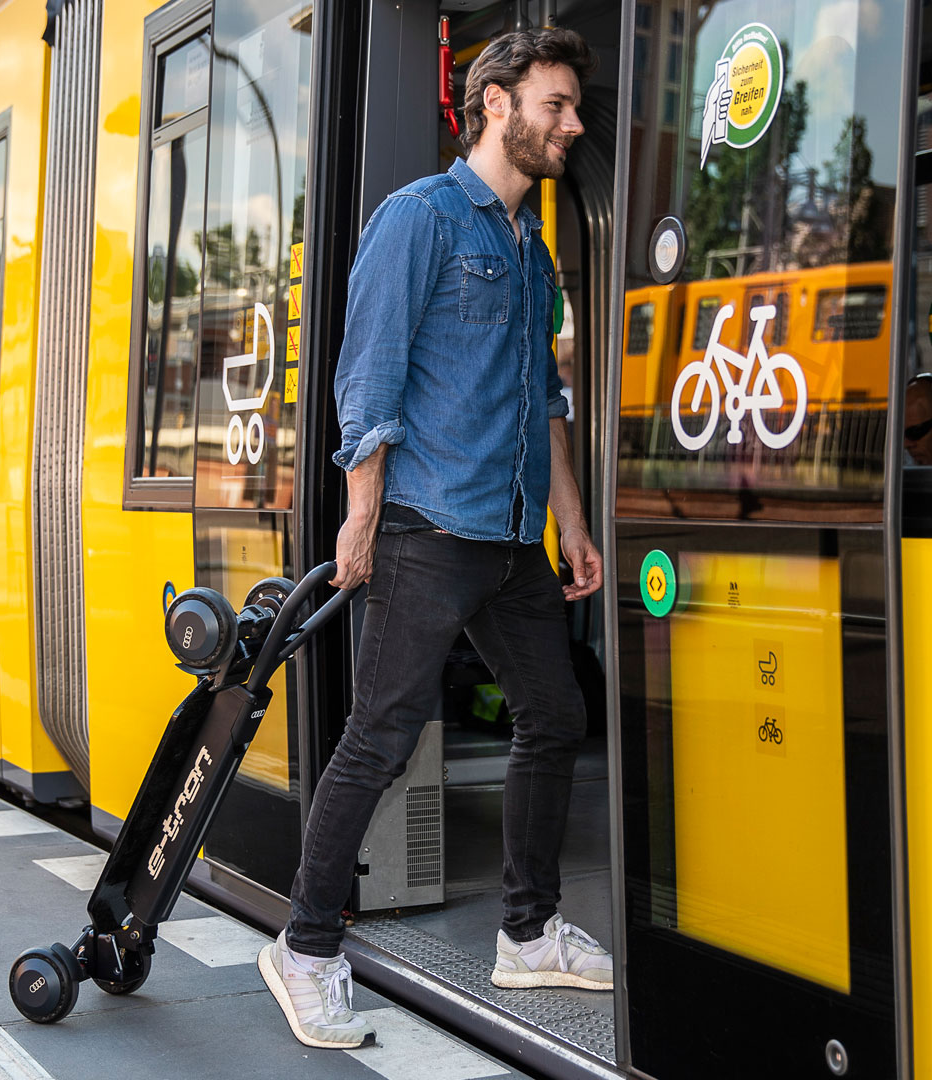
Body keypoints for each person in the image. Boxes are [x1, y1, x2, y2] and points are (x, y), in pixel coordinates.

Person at [256, 27, 612, 1051]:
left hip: (506, 537)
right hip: (423, 526)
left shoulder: (529, 244)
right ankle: (308, 948)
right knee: (382, 734)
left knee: (553, 714)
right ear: (497, 103)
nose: (572, 123)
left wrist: (571, 524)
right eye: (557, 104)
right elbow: (366, 377)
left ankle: (529, 931)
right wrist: (361, 517)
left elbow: (545, 394)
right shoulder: (419, 219)